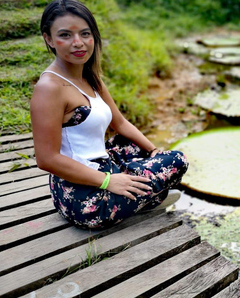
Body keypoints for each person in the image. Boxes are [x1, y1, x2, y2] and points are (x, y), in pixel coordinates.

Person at [30, 0, 188, 229]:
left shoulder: (90, 77)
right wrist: (108, 181)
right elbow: (47, 159)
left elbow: (121, 123)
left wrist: (153, 150)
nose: (78, 43)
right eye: (65, 35)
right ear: (48, 39)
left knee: (135, 144)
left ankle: (139, 193)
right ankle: (146, 196)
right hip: (83, 198)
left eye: (85, 34)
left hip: (99, 164)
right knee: (178, 160)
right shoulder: (49, 88)